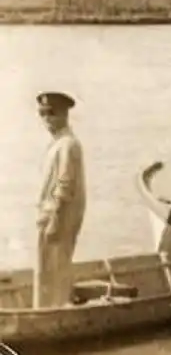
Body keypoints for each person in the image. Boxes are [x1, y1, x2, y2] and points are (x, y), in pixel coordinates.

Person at [34, 91, 86, 308]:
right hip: (48, 213)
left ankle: (53, 310)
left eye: (52, 114)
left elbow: (65, 184)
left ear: (64, 114)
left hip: (59, 214)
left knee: (54, 267)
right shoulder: (57, 143)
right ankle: (47, 307)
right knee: (46, 267)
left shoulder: (68, 145)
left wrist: (55, 218)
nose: (47, 119)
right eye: (43, 114)